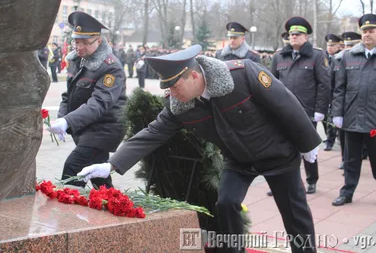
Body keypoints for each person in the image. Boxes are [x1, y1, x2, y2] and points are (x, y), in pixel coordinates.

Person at [77, 44, 321, 253]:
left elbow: (285, 103)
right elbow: (152, 132)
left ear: (193, 76)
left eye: (175, 87)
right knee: (226, 203)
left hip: (277, 154)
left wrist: (308, 143)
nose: (171, 94)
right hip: (238, 161)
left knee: (294, 212)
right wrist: (111, 164)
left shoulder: (242, 74)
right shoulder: (180, 105)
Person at [47, 11, 127, 189]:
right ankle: (114, 208)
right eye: (76, 41)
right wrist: (62, 118)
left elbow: (99, 103)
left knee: (73, 169)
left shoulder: (111, 67)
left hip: (104, 129)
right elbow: (69, 95)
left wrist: (68, 121)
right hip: (85, 128)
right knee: (98, 178)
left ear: (99, 41)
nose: (79, 47)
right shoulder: (77, 60)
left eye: (85, 42)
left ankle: (66, 212)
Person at [331, 14, 376, 207]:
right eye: (364, 31)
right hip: (351, 116)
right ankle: (347, 192)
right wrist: (337, 113)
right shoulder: (349, 56)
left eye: (371, 31)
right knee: (350, 159)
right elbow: (340, 88)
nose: (367, 34)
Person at [269, 16, 330, 195]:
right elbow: (271, 84)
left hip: (307, 111)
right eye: (291, 34)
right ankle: (283, 182)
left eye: (298, 34)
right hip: (283, 111)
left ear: (306, 37)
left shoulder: (317, 56)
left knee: (307, 147)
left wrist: (320, 110)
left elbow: (324, 84)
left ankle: (311, 180)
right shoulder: (279, 56)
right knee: (282, 148)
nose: (294, 37)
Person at [332, 32, 361, 170]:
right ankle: (345, 159)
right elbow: (332, 84)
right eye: (347, 45)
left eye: (353, 44)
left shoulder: (364, 59)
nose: (349, 48)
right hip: (343, 105)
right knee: (343, 136)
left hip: (360, 104)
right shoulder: (337, 60)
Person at [323, 34, 342, 151]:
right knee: (326, 119)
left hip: (336, 92)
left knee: (333, 118)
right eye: (328, 45)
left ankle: (332, 140)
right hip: (326, 91)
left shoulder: (340, 58)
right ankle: (329, 138)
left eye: (332, 45)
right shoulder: (323, 57)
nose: (330, 47)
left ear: (338, 46)